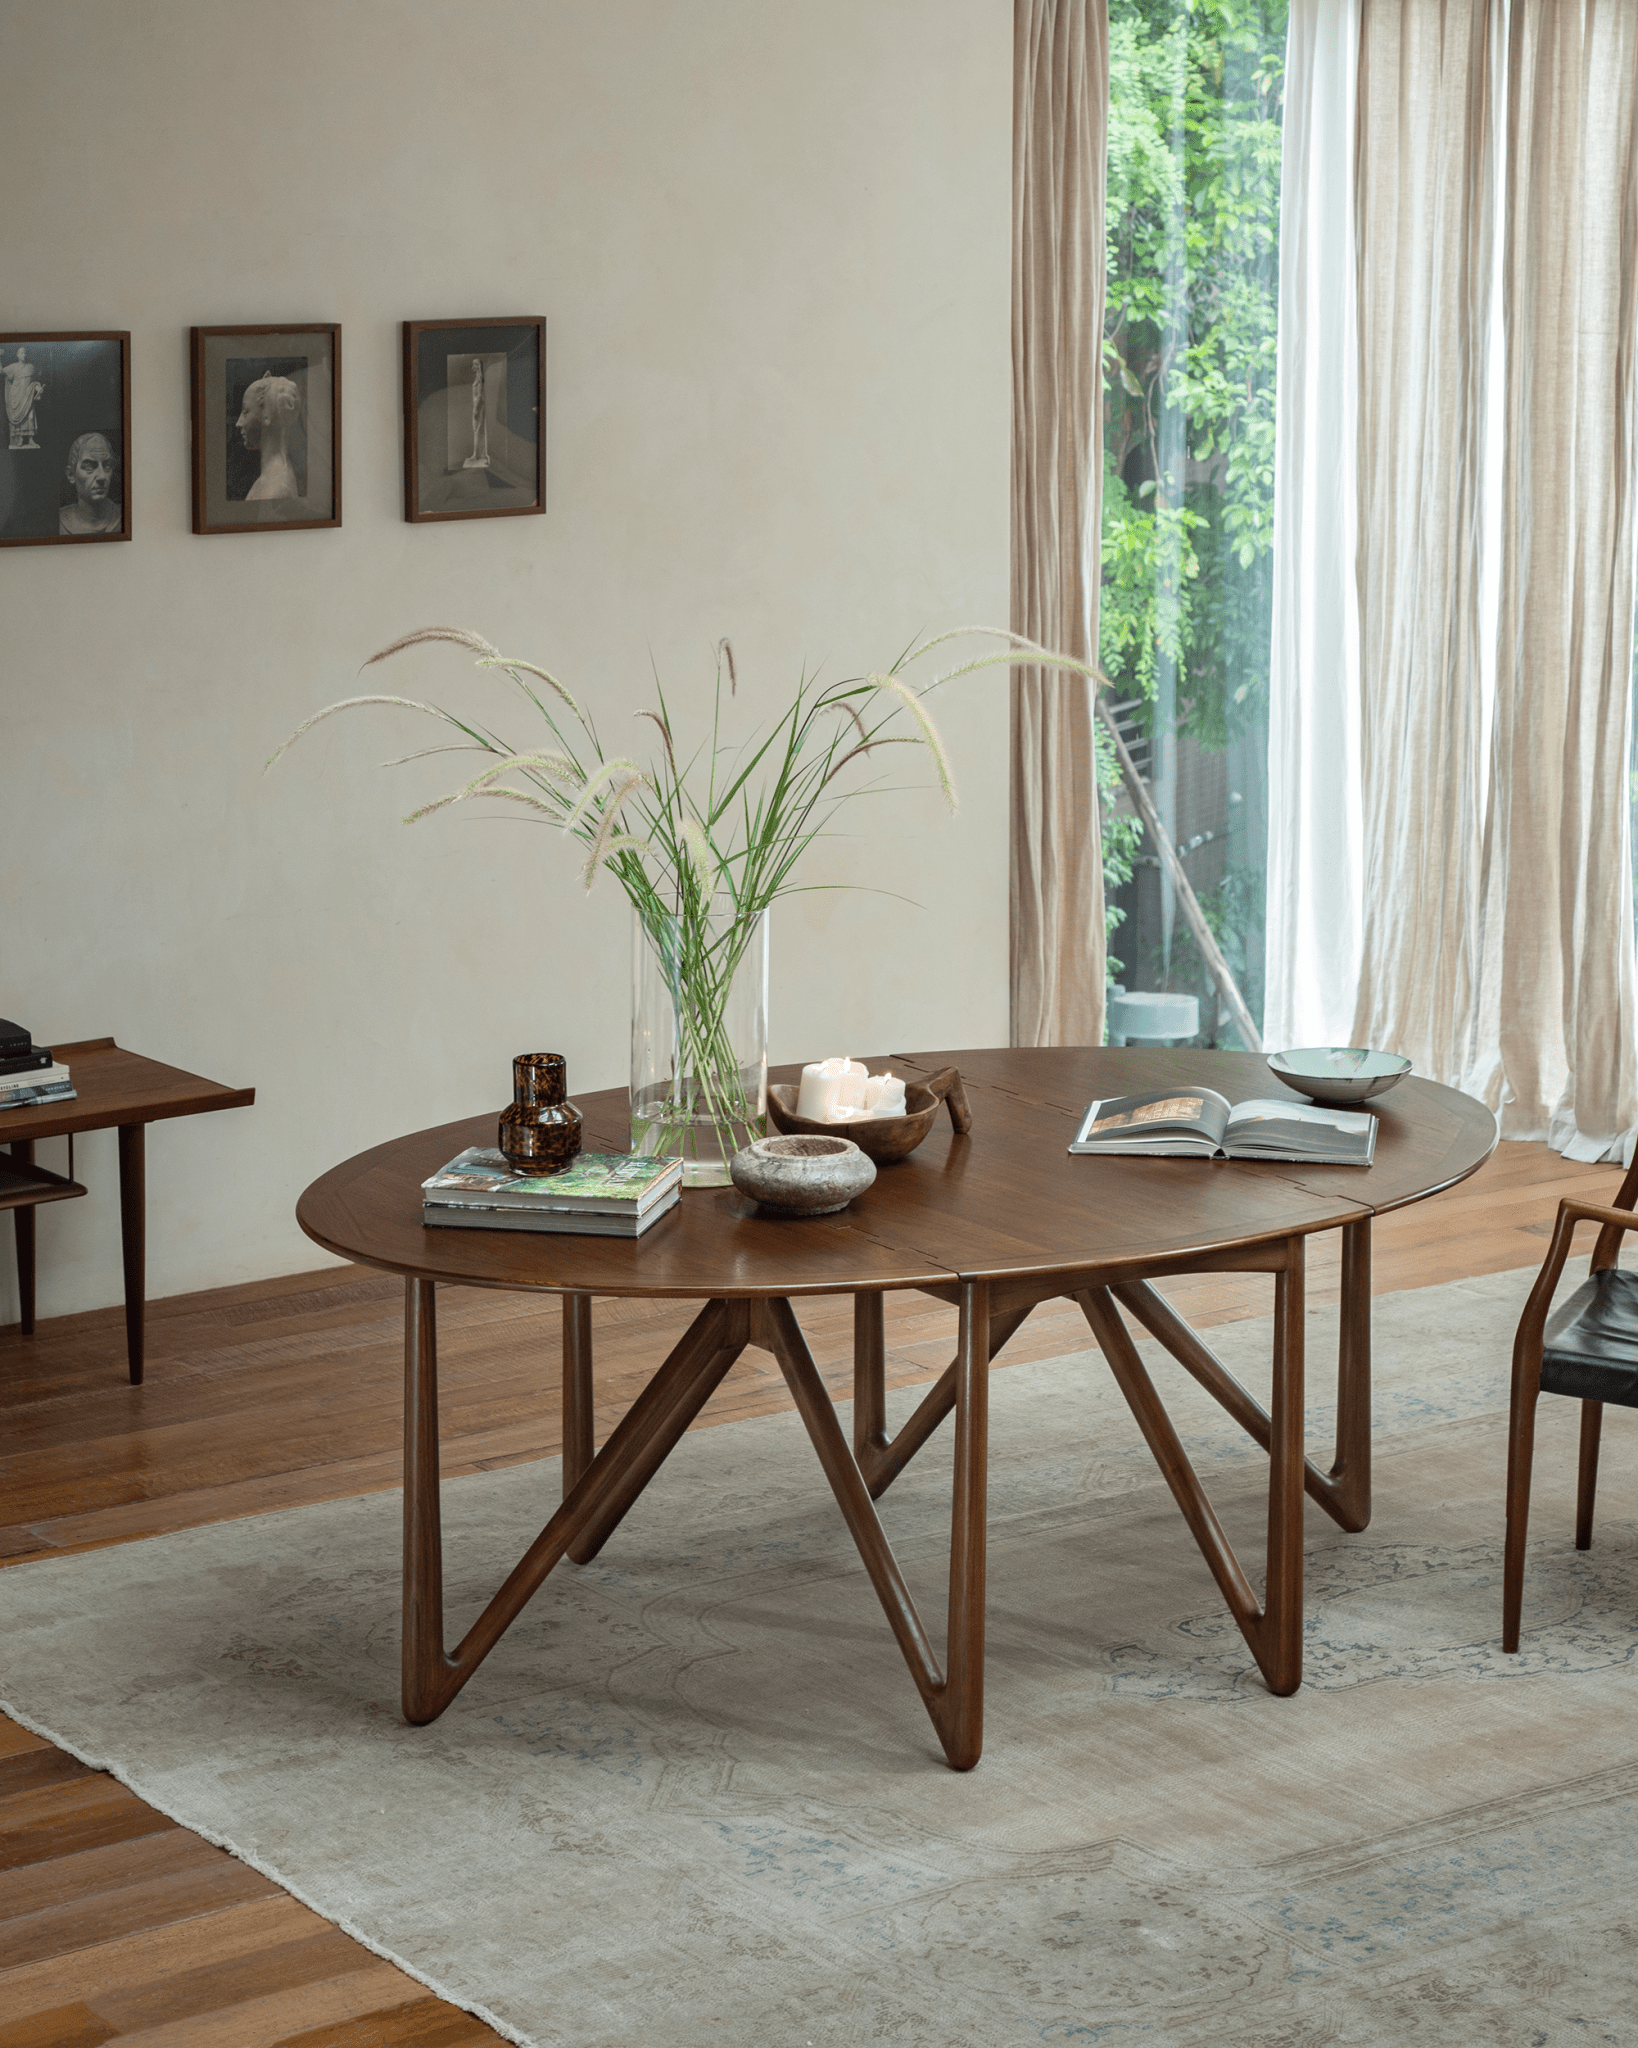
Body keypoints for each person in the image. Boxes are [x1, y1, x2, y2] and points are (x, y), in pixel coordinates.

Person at [235, 371, 302, 500]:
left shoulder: (276, 489)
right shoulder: (269, 477)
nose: (239, 423)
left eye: (245, 411)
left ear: (266, 415)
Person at [58, 430, 121, 534]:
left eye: (107, 466)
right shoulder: (58, 521)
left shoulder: (125, 517)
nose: (102, 477)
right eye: (89, 466)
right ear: (71, 475)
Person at [5, 346, 44, 450]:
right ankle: (21, 438)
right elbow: (1, 371)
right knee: (20, 419)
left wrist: (38, 388)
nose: (24, 355)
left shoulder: (30, 367)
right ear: (17, 355)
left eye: (25, 353)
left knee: (30, 417)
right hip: (17, 395)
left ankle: (31, 439)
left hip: (28, 395)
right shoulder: (13, 367)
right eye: (21, 353)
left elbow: (34, 382)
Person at [463, 354, 490, 468]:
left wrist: (475, 410)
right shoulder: (478, 378)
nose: (472, 368)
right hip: (479, 406)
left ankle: (476, 455)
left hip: (478, 407)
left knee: (477, 430)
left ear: (477, 366)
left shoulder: (480, 379)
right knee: (479, 430)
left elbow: (479, 396)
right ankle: (481, 453)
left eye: (474, 365)